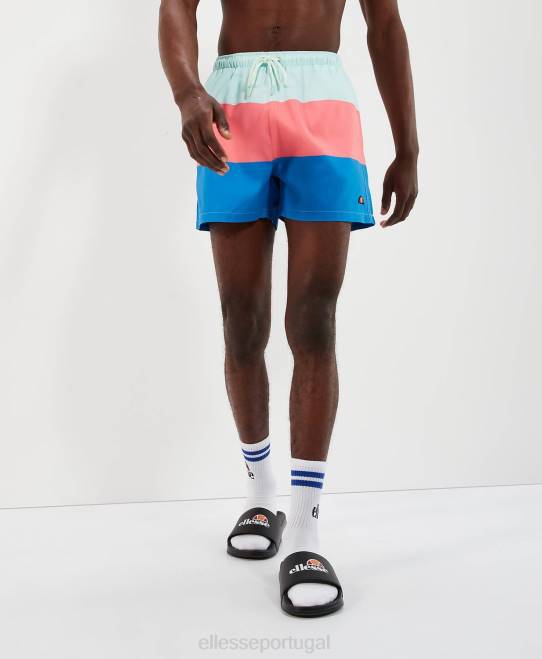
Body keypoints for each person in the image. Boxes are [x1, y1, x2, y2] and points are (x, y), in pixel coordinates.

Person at [159, 0, 418, 617]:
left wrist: (408, 146)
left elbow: (384, 24)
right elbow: (177, 5)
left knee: (313, 320)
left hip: (323, 103)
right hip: (231, 106)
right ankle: (261, 494)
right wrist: (187, 93)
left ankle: (305, 532)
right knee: (241, 321)